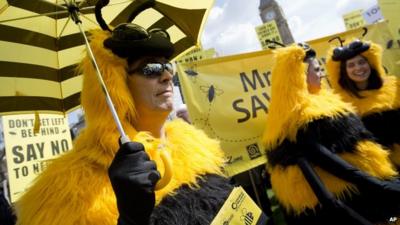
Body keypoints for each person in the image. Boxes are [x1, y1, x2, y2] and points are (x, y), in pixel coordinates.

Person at [14, 23, 255, 225]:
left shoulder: (198, 147)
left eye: (167, 66)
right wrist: (130, 219)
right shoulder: (62, 193)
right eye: (150, 68)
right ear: (115, 87)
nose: (167, 76)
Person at [262, 43, 400, 225]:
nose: (321, 74)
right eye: (316, 70)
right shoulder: (300, 113)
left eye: (321, 69)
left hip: (363, 190)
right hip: (348, 200)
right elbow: (331, 163)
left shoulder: (321, 100)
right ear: (301, 74)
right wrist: (381, 186)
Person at [326, 39, 400, 169]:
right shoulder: (340, 102)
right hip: (382, 170)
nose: (358, 68)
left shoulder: (394, 86)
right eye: (351, 65)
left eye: (361, 62)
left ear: (369, 64)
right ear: (344, 71)